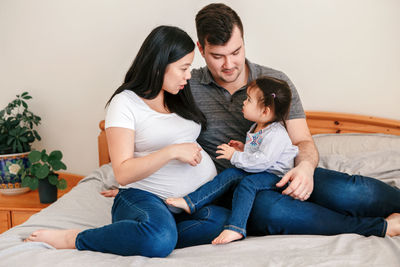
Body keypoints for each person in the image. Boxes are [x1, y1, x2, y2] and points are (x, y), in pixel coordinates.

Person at [188, 3, 400, 238]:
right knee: (272, 212)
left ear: (244, 42)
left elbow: (302, 140)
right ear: (201, 49)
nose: (228, 65)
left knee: (348, 192)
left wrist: (306, 169)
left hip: (284, 171)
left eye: (236, 52)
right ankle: (381, 228)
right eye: (218, 56)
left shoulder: (276, 83)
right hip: (242, 188)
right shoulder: (187, 87)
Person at [24, 25, 232, 257]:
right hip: (145, 196)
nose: (188, 75)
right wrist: (172, 152)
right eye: (183, 68)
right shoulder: (125, 104)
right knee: (159, 239)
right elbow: (122, 172)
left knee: (224, 220)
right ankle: (75, 238)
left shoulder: (179, 96)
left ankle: (145, 232)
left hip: (189, 202)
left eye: (189, 68)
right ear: (160, 64)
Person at [166, 76, 299, 244]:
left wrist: (234, 156)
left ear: (265, 111)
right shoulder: (258, 127)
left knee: (247, 185)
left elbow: (262, 161)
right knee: (230, 173)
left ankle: (236, 228)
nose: (243, 103)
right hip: (262, 171)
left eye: (249, 100)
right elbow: (258, 153)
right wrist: (243, 148)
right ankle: (191, 202)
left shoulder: (276, 134)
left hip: (276, 177)